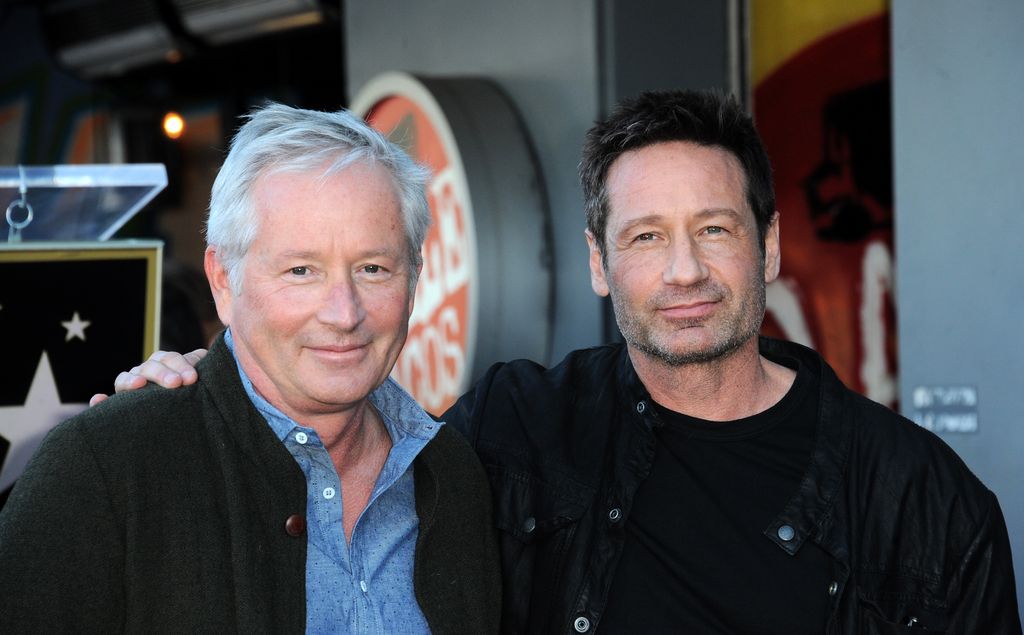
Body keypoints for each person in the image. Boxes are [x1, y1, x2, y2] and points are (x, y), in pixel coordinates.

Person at [92, 90, 1022, 633]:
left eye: (715, 230)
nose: (685, 270)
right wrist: (193, 404)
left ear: (770, 248)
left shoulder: (923, 504)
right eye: (648, 235)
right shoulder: (519, 426)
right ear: (597, 262)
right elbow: (340, 450)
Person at [0, 102, 500, 633]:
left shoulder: (452, 472)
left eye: (373, 268)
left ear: (415, 277)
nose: (344, 313)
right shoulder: (105, 470)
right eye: (301, 270)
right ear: (221, 280)